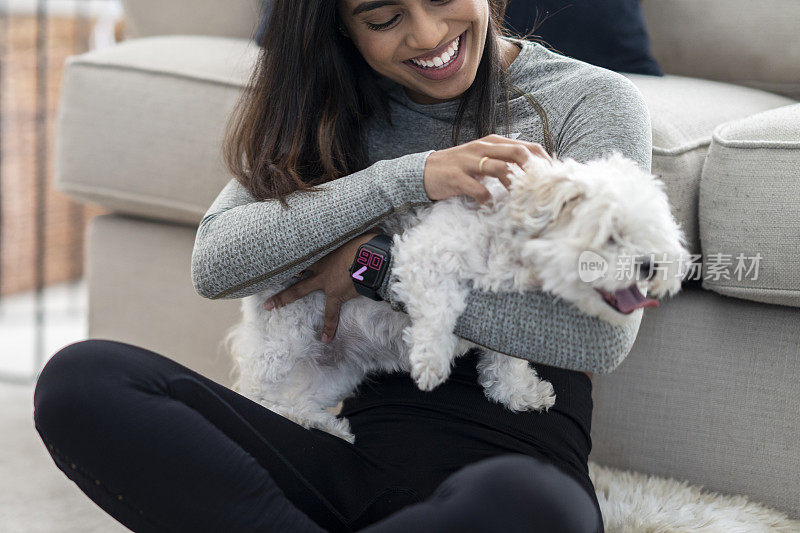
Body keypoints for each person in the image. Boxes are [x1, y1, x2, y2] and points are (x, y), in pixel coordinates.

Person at [34, 0, 653, 531]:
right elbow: (217, 261)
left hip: (508, 476)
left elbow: (601, 338)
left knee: (529, 504)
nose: (429, 35)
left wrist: (371, 267)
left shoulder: (586, 102)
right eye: (384, 18)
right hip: (344, 465)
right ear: (343, 29)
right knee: (82, 381)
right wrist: (408, 178)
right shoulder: (334, 110)